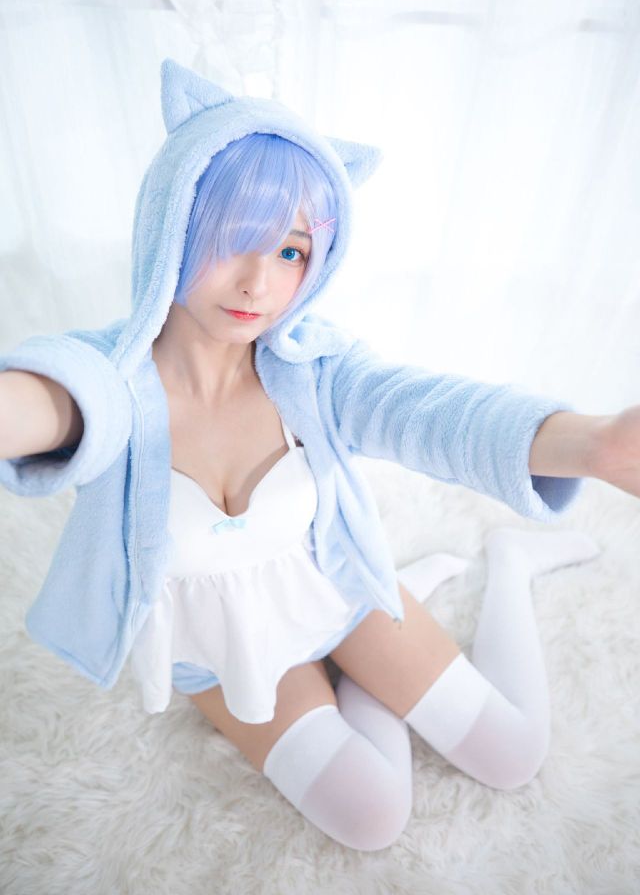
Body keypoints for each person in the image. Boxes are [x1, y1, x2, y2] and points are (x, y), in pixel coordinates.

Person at [0, 58, 627, 853]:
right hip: (224, 653)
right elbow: (49, 399)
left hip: (338, 593)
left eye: (292, 252)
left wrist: (596, 444)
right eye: (236, 239)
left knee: (514, 755)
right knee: (373, 818)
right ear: (172, 224)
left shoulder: (314, 369)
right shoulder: (114, 381)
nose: (259, 282)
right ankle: (388, 629)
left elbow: (441, 415)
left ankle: (508, 563)